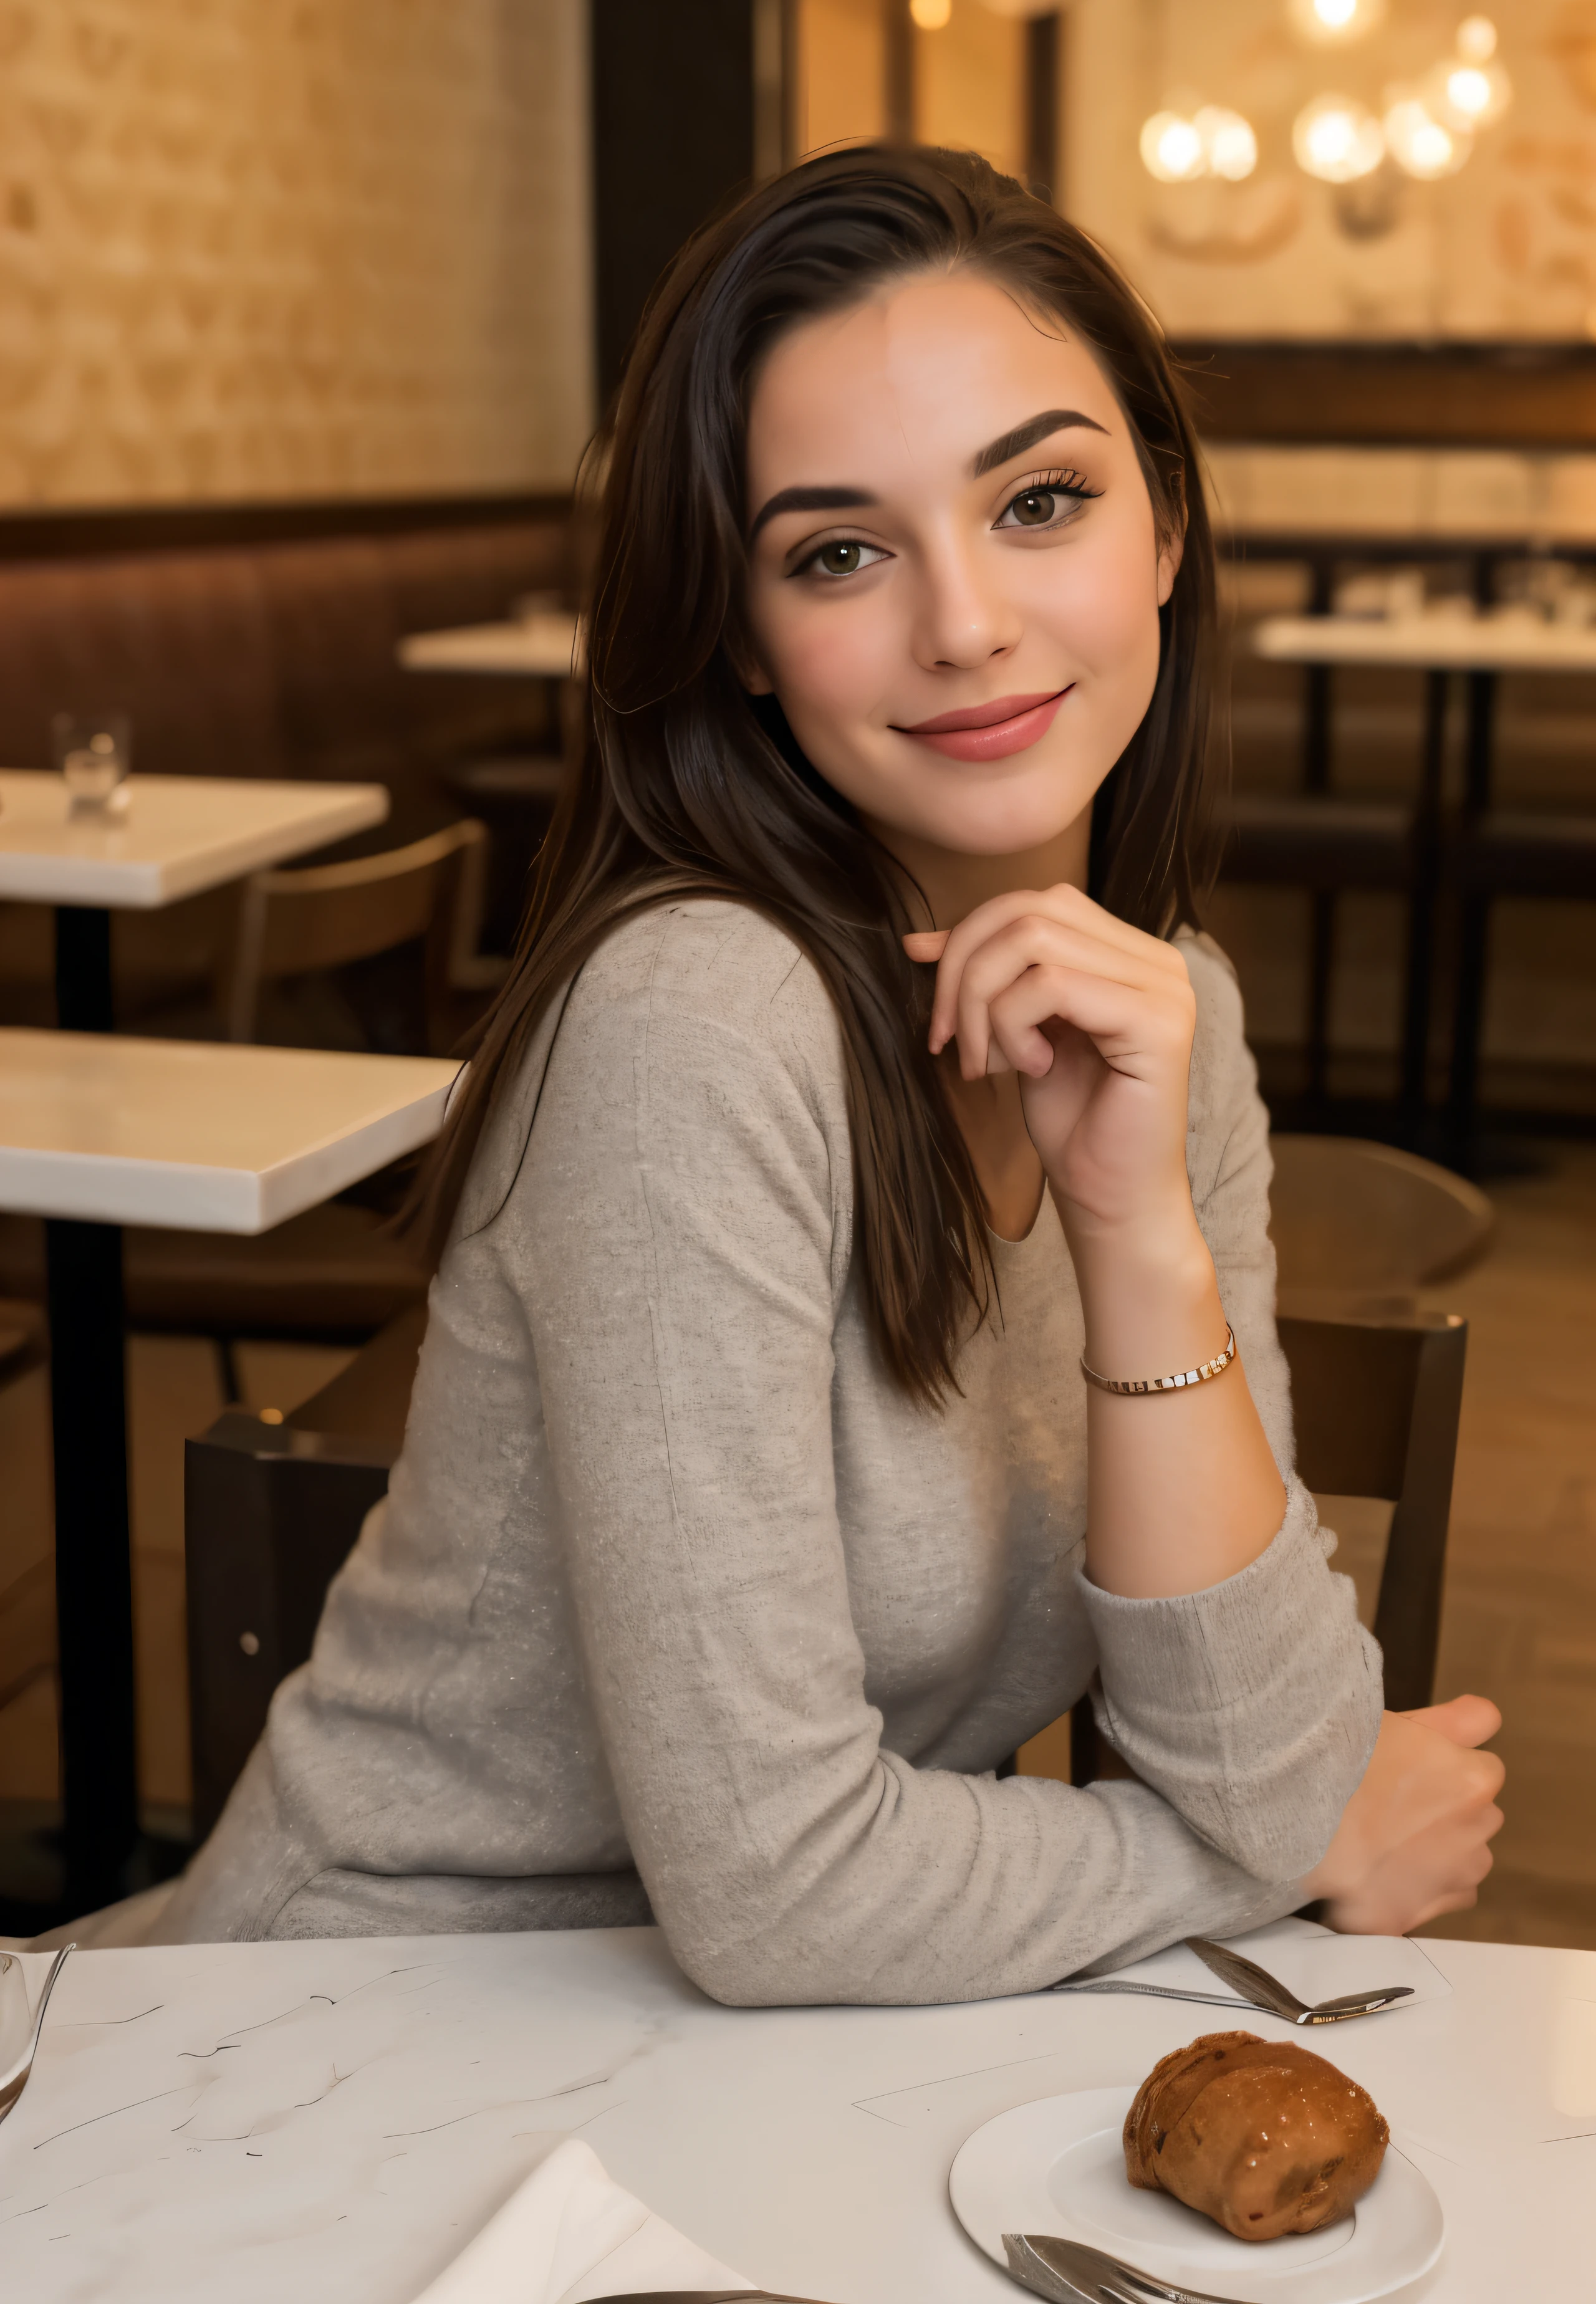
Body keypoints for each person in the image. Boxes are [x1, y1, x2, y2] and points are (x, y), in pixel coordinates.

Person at [148, 146, 1503, 1997]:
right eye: (841, 551)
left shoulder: (1165, 1012)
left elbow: (1263, 1757)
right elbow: (790, 1893)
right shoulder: (698, 1024)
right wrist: (1249, 1863)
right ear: (746, 639)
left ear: (1167, 534)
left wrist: (1137, 1230)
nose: (962, 622)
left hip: (798, 2069)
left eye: (1040, 500)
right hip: (376, 2040)